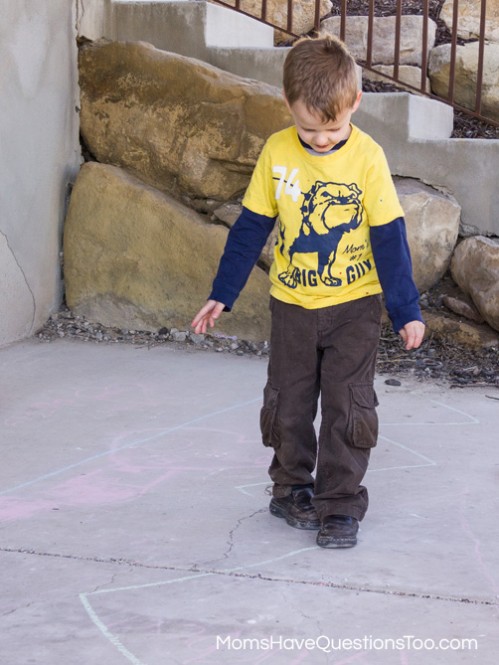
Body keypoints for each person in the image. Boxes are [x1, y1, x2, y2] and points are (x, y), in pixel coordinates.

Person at [192, 34, 425, 549]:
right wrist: (223, 292)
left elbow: (390, 239)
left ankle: (340, 505)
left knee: (348, 406)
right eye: (308, 129)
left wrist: (406, 308)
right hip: (292, 307)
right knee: (289, 403)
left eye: (332, 128)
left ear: (355, 103)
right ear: (287, 105)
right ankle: (291, 486)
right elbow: (250, 227)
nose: (320, 140)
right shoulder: (277, 152)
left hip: (355, 309)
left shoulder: (368, 158)